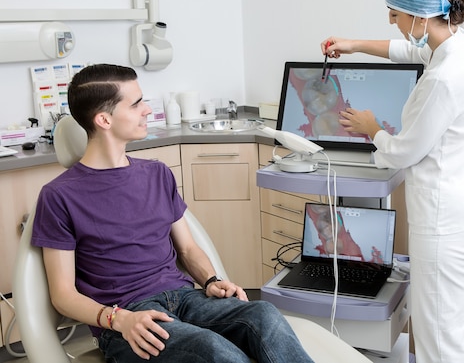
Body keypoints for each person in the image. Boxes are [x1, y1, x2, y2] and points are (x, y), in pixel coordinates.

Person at [31, 64, 314, 363]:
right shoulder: (59, 196)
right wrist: (117, 319)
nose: (147, 110)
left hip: (186, 299)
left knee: (263, 314)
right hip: (130, 319)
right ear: (104, 119)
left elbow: (188, 248)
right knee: (211, 349)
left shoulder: (156, 173)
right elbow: (62, 294)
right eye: (136, 103)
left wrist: (210, 280)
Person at [321, 0, 464, 363]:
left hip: (442, 220)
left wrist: (370, 127)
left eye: (394, 13)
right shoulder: (457, 43)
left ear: (420, 16)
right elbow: (407, 50)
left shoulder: (443, 78)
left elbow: (405, 151)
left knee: (438, 336)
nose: (390, 21)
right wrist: (354, 44)